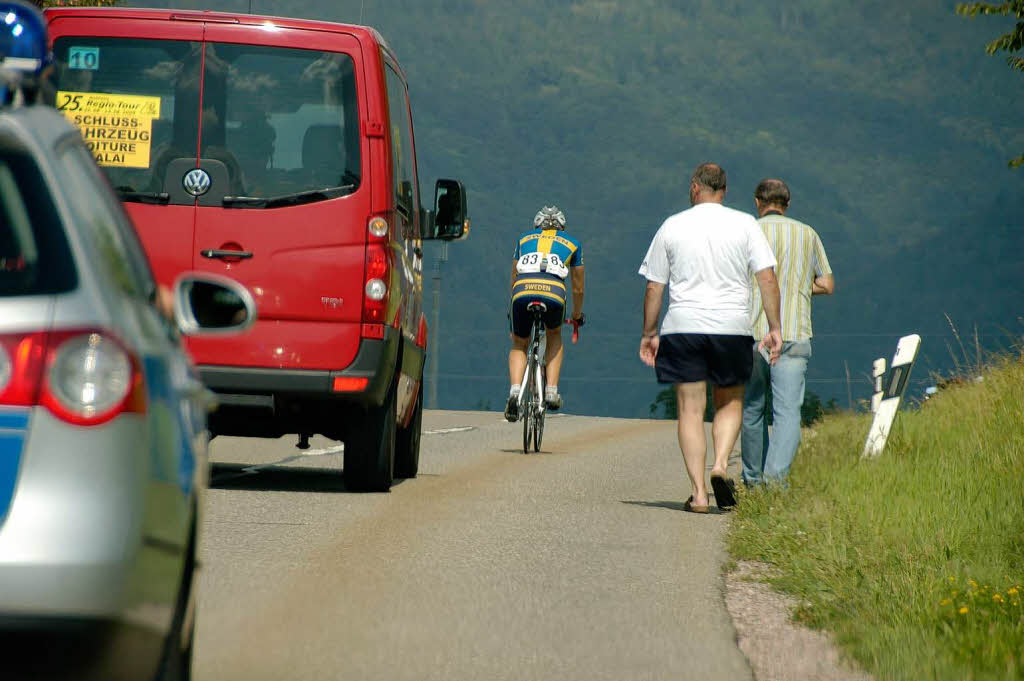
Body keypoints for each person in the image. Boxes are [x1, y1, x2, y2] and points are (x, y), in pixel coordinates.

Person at [638, 163, 782, 512]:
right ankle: (720, 464)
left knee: (690, 409)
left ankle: (700, 494)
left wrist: (649, 332)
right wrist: (774, 327)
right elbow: (766, 278)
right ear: (724, 191)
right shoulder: (745, 223)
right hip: (732, 328)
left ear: (694, 188)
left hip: (683, 327)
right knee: (730, 402)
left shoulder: (673, 225)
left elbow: (656, 285)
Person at [741, 178, 835, 486]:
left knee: (752, 409)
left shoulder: (747, 232)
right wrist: (794, 289)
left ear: (757, 202)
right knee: (787, 413)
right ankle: (776, 480)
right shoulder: (807, 233)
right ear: (787, 203)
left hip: (752, 333)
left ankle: (752, 481)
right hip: (794, 332)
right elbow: (827, 283)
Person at [505, 205, 584, 420]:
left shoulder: (523, 239)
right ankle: (551, 391)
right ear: (562, 227)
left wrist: (511, 309)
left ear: (537, 225)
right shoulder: (573, 243)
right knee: (554, 334)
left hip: (522, 291)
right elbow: (578, 287)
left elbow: (514, 276)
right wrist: (577, 315)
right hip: (554, 293)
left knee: (520, 342)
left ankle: (514, 392)